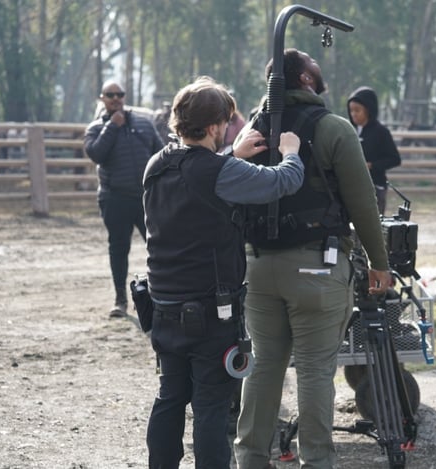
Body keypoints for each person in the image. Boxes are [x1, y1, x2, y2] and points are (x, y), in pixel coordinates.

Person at [234, 49, 393, 469]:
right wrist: (380, 263)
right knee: (315, 371)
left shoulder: (252, 128)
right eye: (311, 62)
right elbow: (363, 204)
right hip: (316, 269)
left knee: (264, 367)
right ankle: (317, 462)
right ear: (305, 79)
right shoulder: (334, 129)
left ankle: (249, 459)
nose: (317, 66)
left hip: (258, 269)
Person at [143, 75, 305, 469]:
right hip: (209, 313)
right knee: (211, 406)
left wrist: (232, 155)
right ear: (215, 126)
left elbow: (199, 178)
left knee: (170, 398)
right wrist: (292, 150)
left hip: (162, 306)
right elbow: (286, 180)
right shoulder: (219, 173)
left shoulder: (157, 165)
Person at [84, 80, 164, 319]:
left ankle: (160, 296)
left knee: (158, 247)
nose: (116, 98)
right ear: (102, 98)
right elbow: (96, 154)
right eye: (110, 94)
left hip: (144, 198)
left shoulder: (144, 123)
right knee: (119, 248)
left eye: (119, 94)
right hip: (114, 198)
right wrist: (112, 127)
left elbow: (159, 154)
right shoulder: (95, 129)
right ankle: (121, 300)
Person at [347, 86, 402, 215]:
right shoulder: (350, 131)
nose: (353, 114)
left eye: (357, 110)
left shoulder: (381, 132)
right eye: (351, 110)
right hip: (353, 187)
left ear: (368, 109)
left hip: (375, 187)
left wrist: (371, 165)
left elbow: (395, 159)